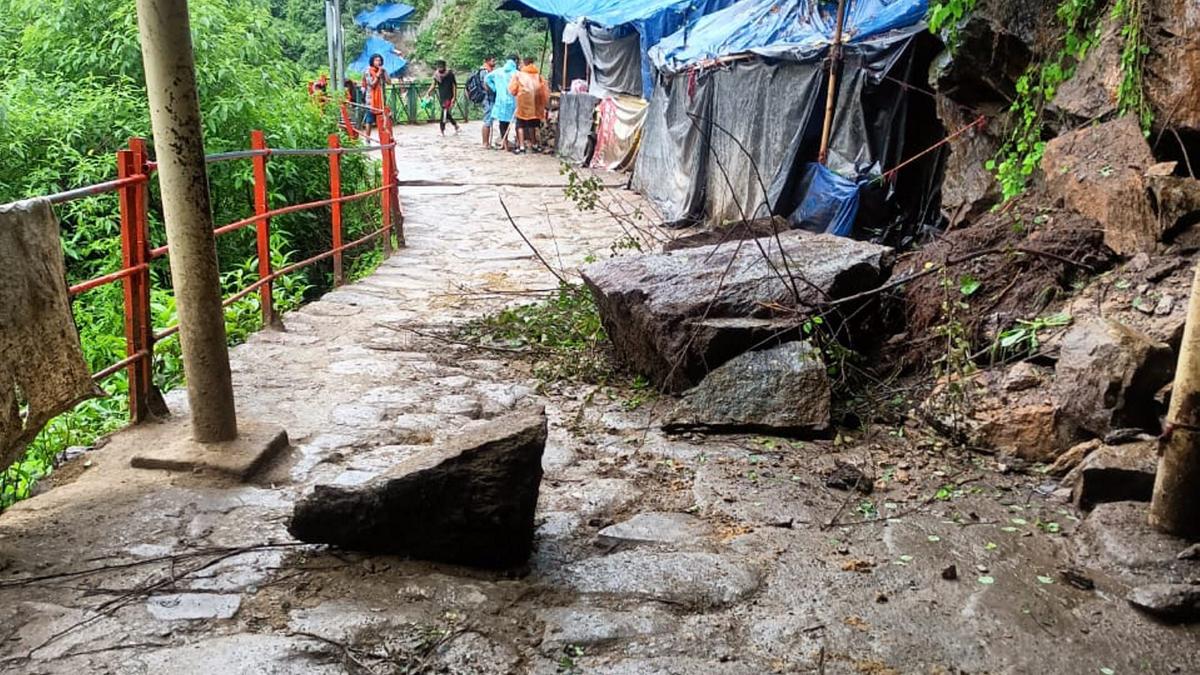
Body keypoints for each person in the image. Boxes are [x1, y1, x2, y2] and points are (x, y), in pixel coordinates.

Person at [508, 57, 549, 155]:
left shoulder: (519, 75)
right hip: (535, 105)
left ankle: (522, 147)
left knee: (520, 125)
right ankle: (534, 144)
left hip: (523, 104)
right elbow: (544, 91)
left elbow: (513, 90)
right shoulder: (538, 76)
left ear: (524, 64)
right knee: (533, 124)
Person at [487, 55, 519, 151]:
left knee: (502, 122)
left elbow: (487, 79)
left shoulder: (498, 72)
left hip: (500, 101)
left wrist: (494, 88)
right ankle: (516, 142)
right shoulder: (517, 73)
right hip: (513, 100)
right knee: (514, 122)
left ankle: (504, 144)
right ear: (515, 61)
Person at [425, 60, 460, 136]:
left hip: (449, 96)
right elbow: (433, 85)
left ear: (444, 66)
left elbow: (454, 86)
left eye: (441, 66)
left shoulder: (450, 74)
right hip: (442, 96)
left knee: (443, 112)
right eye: (438, 66)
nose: (440, 67)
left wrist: (454, 97)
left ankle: (442, 129)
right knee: (446, 113)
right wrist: (428, 92)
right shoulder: (436, 75)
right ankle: (455, 125)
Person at [361, 54, 390, 141]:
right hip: (371, 100)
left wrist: (385, 73)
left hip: (381, 99)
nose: (379, 62)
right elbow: (372, 84)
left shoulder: (382, 71)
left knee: (382, 118)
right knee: (369, 119)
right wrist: (377, 74)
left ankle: (383, 138)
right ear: (372, 61)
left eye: (380, 60)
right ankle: (367, 138)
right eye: (376, 60)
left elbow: (389, 82)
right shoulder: (367, 71)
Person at [474, 56, 497, 149]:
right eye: (493, 60)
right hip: (487, 98)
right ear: (487, 61)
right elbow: (485, 84)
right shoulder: (485, 71)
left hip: (488, 98)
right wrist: (494, 90)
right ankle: (485, 143)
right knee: (487, 120)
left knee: (489, 120)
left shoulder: (486, 70)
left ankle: (487, 143)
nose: (494, 62)